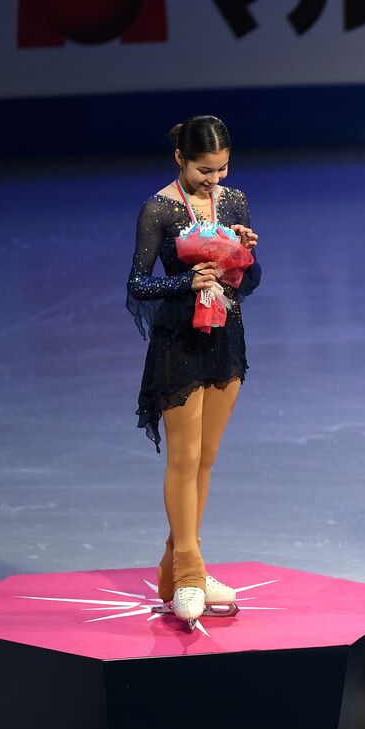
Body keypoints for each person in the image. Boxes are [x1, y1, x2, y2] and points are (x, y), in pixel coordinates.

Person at [127, 115, 260, 625]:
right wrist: (185, 282)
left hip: (225, 337)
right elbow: (138, 283)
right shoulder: (158, 209)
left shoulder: (233, 202)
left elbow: (249, 280)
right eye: (205, 170)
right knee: (183, 459)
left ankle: (181, 567)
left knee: (207, 457)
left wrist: (244, 254)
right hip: (179, 341)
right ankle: (188, 575)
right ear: (179, 158)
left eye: (222, 169)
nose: (215, 180)